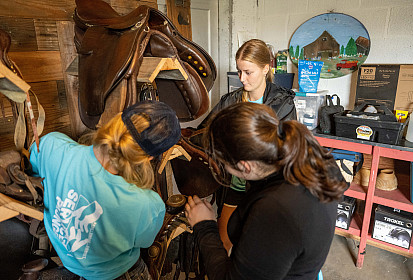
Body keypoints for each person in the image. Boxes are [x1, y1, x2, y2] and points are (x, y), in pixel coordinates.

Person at [185, 102, 347, 280]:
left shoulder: (276, 211)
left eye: (223, 164)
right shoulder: (312, 158)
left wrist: (205, 226)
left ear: (245, 166)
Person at [29, 100, 181, 280]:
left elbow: (34, 166)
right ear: (148, 158)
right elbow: (145, 242)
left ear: (117, 120)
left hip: (68, 261)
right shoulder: (148, 204)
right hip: (116, 274)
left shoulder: (50, 145)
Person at [199, 38, 297, 252]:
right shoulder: (230, 101)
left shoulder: (283, 104)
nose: (242, 78)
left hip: (268, 188)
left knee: (260, 246)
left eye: (248, 72)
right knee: (224, 240)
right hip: (234, 185)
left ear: (265, 68)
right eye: (239, 71)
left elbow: (288, 149)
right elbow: (204, 131)